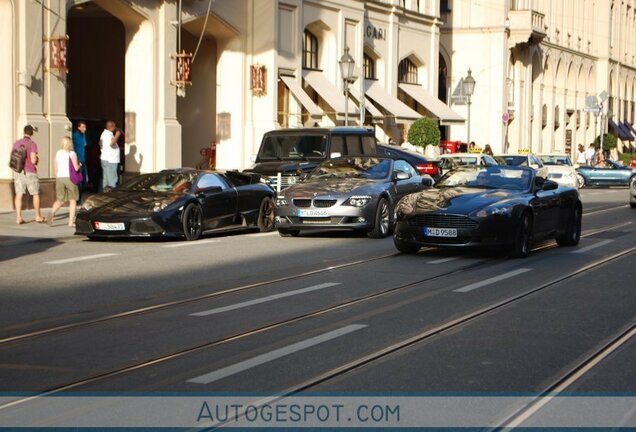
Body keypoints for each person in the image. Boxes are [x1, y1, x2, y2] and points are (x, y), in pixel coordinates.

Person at [11, 125, 44, 224]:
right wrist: (37, 159)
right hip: (30, 172)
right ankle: (38, 216)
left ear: (24, 132)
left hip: (19, 171)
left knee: (19, 194)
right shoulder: (32, 144)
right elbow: (33, 160)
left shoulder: (17, 143)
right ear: (31, 133)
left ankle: (18, 218)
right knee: (35, 194)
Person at [47, 136, 80, 227]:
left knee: (60, 200)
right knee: (72, 200)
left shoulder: (58, 153)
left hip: (60, 178)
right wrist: (80, 165)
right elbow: (76, 168)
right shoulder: (72, 153)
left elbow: (55, 167)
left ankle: (52, 213)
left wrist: (57, 176)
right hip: (70, 178)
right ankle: (70, 222)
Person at [99, 120, 121, 191]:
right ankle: (111, 196)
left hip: (105, 158)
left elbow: (100, 144)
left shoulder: (103, 134)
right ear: (112, 126)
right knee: (111, 180)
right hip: (110, 160)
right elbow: (112, 143)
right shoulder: (108, 134)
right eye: (115, 126)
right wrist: (117, 135)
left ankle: (105, 194)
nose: (116, 128)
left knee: (106, 179)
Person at [72, 120, 88, 199]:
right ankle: (78, 198)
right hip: (77, 160)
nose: (84, 129)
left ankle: (80, 197)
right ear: (78, 127)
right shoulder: (74, 135)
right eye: (83, 127)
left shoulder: (83, 135)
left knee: (84, 180)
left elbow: (85, 144)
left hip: (83, 160)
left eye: (85, 127)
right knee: (79, 180)